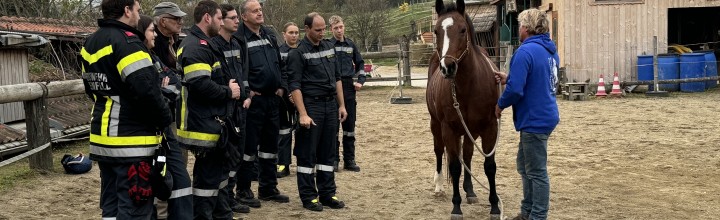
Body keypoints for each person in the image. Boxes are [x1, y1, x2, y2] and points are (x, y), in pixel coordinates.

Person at [81, 0, 172, 219]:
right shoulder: (128, 43)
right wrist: (165, 119)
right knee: (135, 207)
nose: (139, 17)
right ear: (127, 10)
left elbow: (90, 89)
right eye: (138, 11)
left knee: (110, 207)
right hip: (131, 143)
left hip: (103, 140)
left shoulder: (90, 42)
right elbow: (148, 92)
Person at [175, 1, 241, 219]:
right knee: (207, 181)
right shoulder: (196, 46)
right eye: (220, 18)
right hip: (203, 125)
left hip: (213, 122)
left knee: (219, 178)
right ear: (207, 17)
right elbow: (200, 84)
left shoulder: (205, 44)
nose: (222, 22)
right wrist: (228, 91)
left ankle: (222, 214)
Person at [494, 8, 560, 220]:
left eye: (521, 25)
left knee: (537, 172)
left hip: (534, 119)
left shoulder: (524, 51)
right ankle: (527, 211)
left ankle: (537, 216)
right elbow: (536, 78)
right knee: (524, 165)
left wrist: (500, 105)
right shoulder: (549, 51)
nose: (519, 28)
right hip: (545, 115)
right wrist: (510, 77)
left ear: (528, 28)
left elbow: (515, 91)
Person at [286, 12, 348, 212]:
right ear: (307, 29)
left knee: (328, 153)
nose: (322, 33)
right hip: (311, 106)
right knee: (307, 154)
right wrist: (302, 113)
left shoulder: (330, 47)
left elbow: (337, 78)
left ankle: (328, 193)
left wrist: (342, 105)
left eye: (324, 29)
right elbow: (294, 86)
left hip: (331, 106)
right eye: (318, 30)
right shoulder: (297, 54)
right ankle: (309, 196)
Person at [233, 0, 290, 209]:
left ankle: (268, 187)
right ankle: (244, 189)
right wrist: (247, 92)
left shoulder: (269, 35)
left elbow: (280, 64)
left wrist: (282, 87)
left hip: (273, 100)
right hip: (253, 103)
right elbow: (238, 69)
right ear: (244, 16)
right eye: (255, 11)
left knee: (270, 147)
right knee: (249, 149)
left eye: (260, 10)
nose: (260, 13)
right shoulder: (239, 38)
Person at [136, 15, 193, 220]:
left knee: (180, 179)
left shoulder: (156, 54)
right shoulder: (141, 57)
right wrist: (164, 88)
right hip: (151, 130)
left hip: (167, 125)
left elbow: (176, 82)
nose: (154, 35)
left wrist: (166, 87)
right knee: (157, 178)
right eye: (151, 30)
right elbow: (152, 91)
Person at [211, 3, 252, 215]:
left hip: (241, 107)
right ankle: (224, 200)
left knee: (238, 154)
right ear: (221, 21)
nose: (237, 21)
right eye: (233, 17)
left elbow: (243, 73)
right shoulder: (213, 45)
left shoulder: (238, 43)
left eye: (238, 17)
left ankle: (232, 196)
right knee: (226, 156)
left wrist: (247, 95)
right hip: (225, 108)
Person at [328, 15, 365, 172]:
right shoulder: (327, 45)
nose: (339, 30)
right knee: (333, 127)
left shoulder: (351, 44)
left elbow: (361, 63)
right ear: (331, 29)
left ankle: (349, 160)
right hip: (332, 88)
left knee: (349, 126)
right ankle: (333, 160)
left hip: (349, 86)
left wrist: (360, 80)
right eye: (336, 28)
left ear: (344, 27)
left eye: (341, 27)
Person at [277, 22, 300, 178]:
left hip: (302, 96)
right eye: (291, 32)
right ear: (284, 34)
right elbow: (281, 74)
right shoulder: (278, 52)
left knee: (302, 131)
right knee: (284, 131)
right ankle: (283, 164)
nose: (294, 35)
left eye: (296, 32)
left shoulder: (302, 51)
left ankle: (304, 164)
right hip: (285, 97)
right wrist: (289, 93)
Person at [152, 2, 186, 73]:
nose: (181, 22)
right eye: (177, 19)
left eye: (181, 18)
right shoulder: (153, 43)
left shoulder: (175, 39)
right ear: (163, 21)